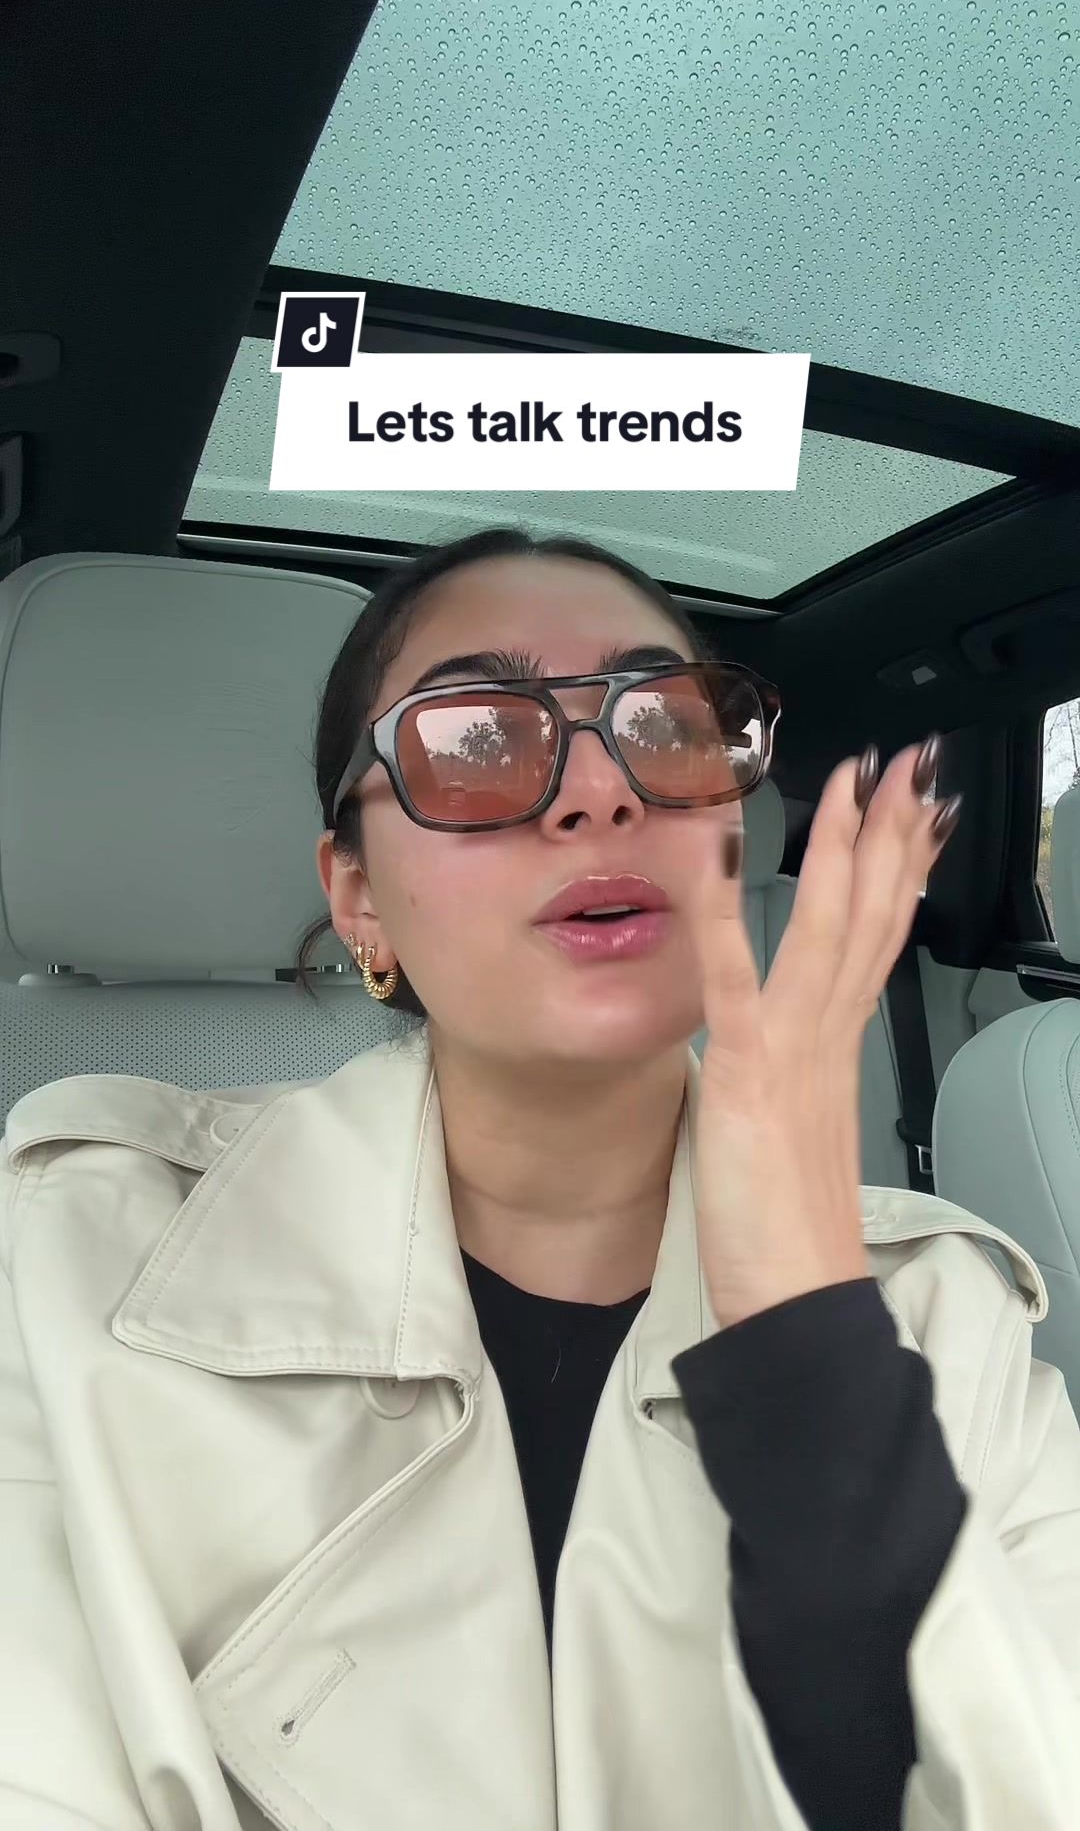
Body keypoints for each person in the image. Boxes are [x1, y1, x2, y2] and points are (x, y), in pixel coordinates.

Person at [1, 527, 1078, 1831]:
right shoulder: (63, 1264)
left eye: (668, 728)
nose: (601, 795)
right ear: (360, 900)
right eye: (475, 743)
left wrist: (806, 1341)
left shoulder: (946, 1319)